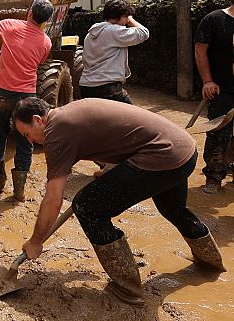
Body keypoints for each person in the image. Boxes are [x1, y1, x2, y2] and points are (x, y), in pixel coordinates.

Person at [13, 97, 226, 306]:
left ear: (38, 119)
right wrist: (112, 166)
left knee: (87, 207)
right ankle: (211, 262)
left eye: (27, 134)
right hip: (184, 150)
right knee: (172, 208)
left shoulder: (56, 132)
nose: (30, 141)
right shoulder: (71, 110)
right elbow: (118, 133)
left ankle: (128, 288)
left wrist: (35, 241)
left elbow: (53, 199)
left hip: (162, 156)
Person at [0, 0, 54, 201]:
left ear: (29, 12)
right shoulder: (46, 42)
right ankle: (19, 190)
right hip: (26, 97)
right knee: (25, 140)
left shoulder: (11, 25)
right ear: (46, 20)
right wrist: (6, 56)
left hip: (1, 92)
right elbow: (33, 61)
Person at [194, 0, 234, 194]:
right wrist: (207, 81)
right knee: (218, 132)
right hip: (222, 88)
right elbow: (200, 50)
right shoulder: (214, 20)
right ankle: (214, 175)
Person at [79, 0, 149, 104]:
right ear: (120, 16)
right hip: (107, 87)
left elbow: (85, 60)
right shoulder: (114, 31)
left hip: (86, 87)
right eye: (125, 17)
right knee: (130, 118)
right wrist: (131, 20)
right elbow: (144, 33)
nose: (126, 22)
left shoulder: (90, 34)